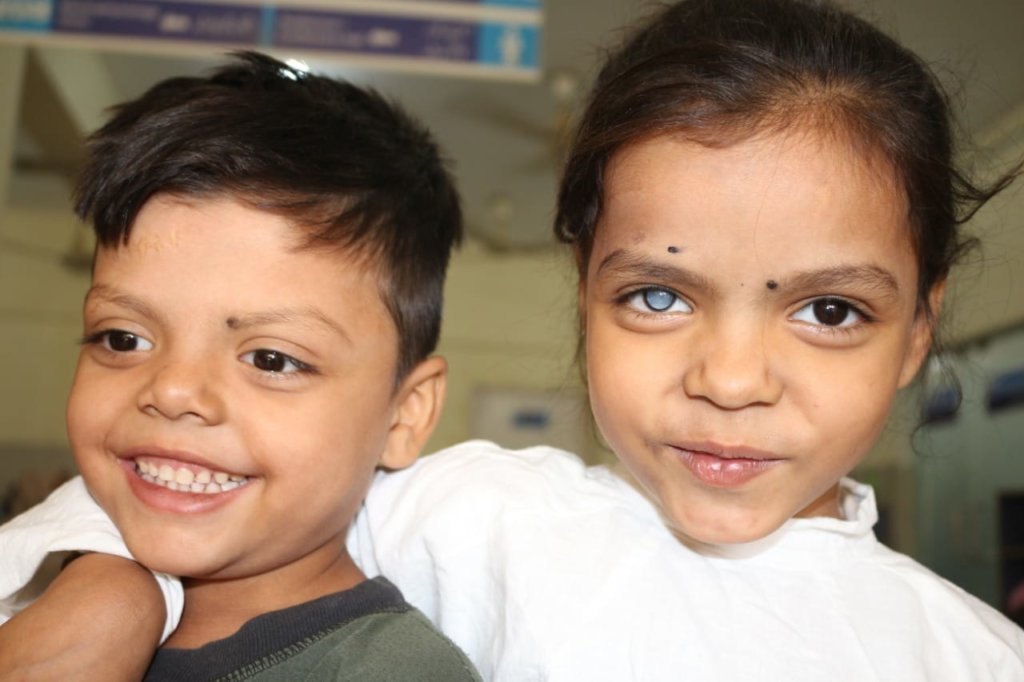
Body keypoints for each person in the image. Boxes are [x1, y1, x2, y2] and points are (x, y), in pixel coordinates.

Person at [4, 0, 1024, 679]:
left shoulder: (975, 657)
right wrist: (113, 587)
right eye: (658, 296)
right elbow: (191, 481)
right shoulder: (472, 513)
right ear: (584, 296)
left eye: (829, 311)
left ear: (916, 333)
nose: (729, 378)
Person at [0, 51, 480, 681]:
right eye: (123, 338)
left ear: (404, 415)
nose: (173, 390)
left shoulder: (388, 673)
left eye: (271, 358)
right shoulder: (39, 586)